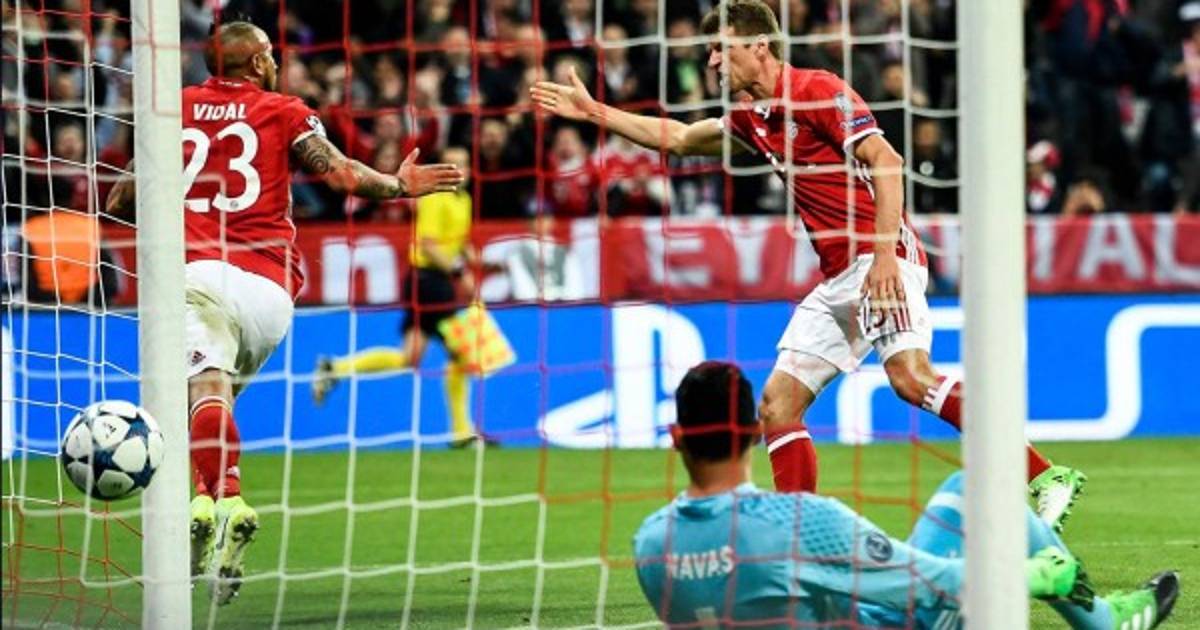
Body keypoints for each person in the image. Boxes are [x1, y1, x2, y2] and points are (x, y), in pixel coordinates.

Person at [531, 0, 1086, 531]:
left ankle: (1044, 475)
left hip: (880, 257)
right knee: (777, 405)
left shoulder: (817, 90)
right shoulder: (751, 117)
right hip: (839, 277)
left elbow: (887, 160)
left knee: (911, 379)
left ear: (759, 45)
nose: (713, 61)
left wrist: (885, 257)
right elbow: (677, 138)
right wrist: (595, 111)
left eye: (722, 48)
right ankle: (799, 535)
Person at [105, 20, 463, 605]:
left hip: (196, 276)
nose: (276, 63)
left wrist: (179, 205)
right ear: (255, 63)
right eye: (270, 55)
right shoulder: (286, 110)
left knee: (202, 394)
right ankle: (205, 511)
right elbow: (343, 175)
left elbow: (120, 200)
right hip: (271, 292)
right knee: (210, 407)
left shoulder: (173, 108)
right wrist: (398, 185)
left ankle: (224, 500)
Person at [633, 361, 1181, 628]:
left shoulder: (652, 545)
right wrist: (1035, 576)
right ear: (756, 432)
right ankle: (1107, 621)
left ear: (676, 437)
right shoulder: (800, 522)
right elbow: (930, 585)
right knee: (981, 490)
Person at [311, 146, 496, 448]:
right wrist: (459, 270)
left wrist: (475, 261)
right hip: (428, 281)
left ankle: (335, 368)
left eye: (463, 164)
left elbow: (456, 243)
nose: (458, 171)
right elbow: (429, 245)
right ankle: (462, 432)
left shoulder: (464, 200)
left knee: (409, 358)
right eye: (452, 165)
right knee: (462, 354)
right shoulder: (435, 197)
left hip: (433, 281)